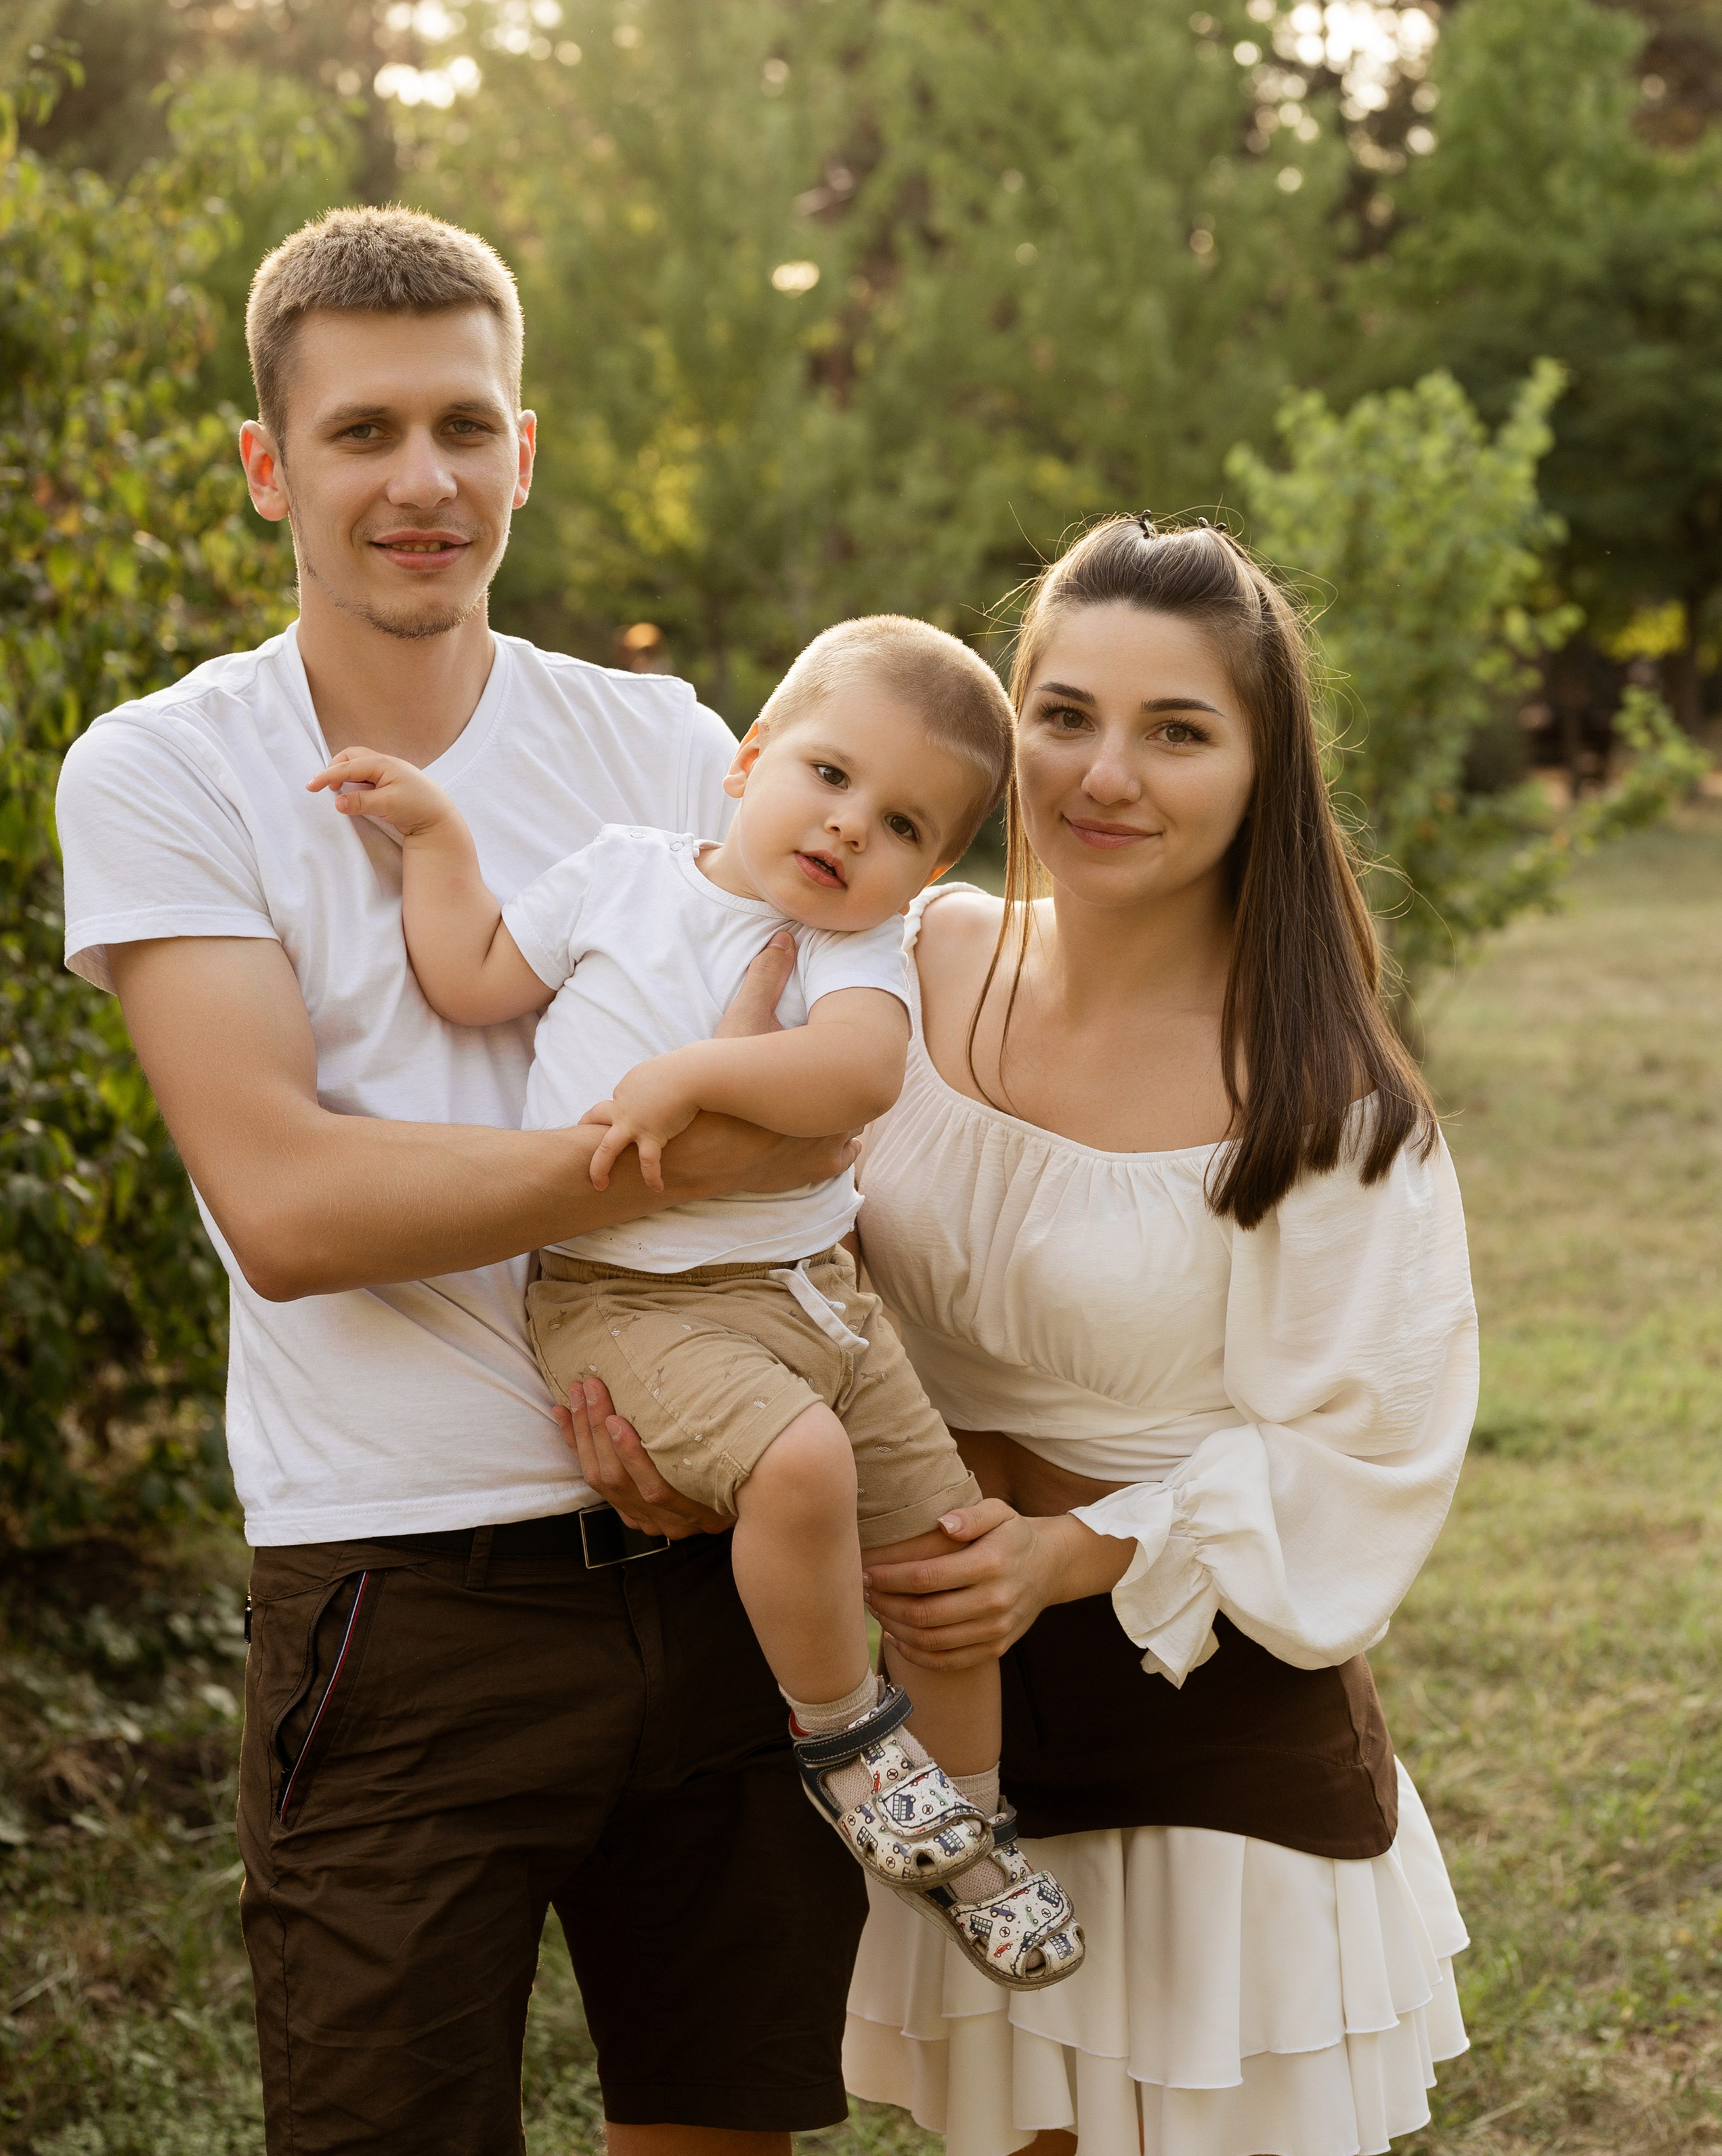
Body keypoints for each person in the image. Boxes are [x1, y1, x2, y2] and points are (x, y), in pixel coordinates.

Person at [55, 204, 874, 2156]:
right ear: (269, 467)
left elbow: (839, 1109)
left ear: (526, 449)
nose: (419, 479)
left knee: (722, 2130)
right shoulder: (167, 769)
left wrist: (719, 1220)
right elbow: (290, 1210)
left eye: (461, 425)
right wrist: (677, 1156)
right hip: (400, 1595)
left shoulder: (667, 745)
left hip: (716, 1559)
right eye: (361, 432)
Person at [303, 615, 1084, 1987]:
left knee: (944, 1561)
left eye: (901, 824)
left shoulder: (849, 949)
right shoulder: (621, 875)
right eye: (829, 775)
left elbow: (855, 1074)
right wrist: (436, 842)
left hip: (817, 1294)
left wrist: (694, 1075)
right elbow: (471, 976)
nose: (849, 826)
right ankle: (843, 1742)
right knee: (803, 1465)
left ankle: (964, 1829)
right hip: (631, 1299)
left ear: (928, 873)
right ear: (749, 758)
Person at [827, 516, 1480, 2156]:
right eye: (1063, 714)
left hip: (1193, 1716)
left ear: (1262, 770)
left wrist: (1062, 1554)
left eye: (1175, 730)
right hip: (937, 1705)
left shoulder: (1319, 1097)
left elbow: (1358, 1455)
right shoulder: (907, 959)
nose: (1102, 774)